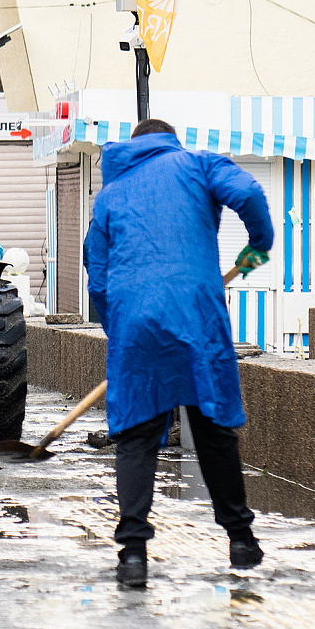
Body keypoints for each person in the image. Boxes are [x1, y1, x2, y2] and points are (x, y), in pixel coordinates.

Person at [84, 118, 272, 589]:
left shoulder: (110, 195)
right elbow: (248, 193)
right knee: (212, 429)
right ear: (169, 139)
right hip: (195, 313)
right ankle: (241, 541)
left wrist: (121, 327)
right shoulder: (197, 164)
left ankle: (132, 556)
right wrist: (258, 247)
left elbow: (97, 270)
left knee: (137, 434)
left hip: (135, 321)